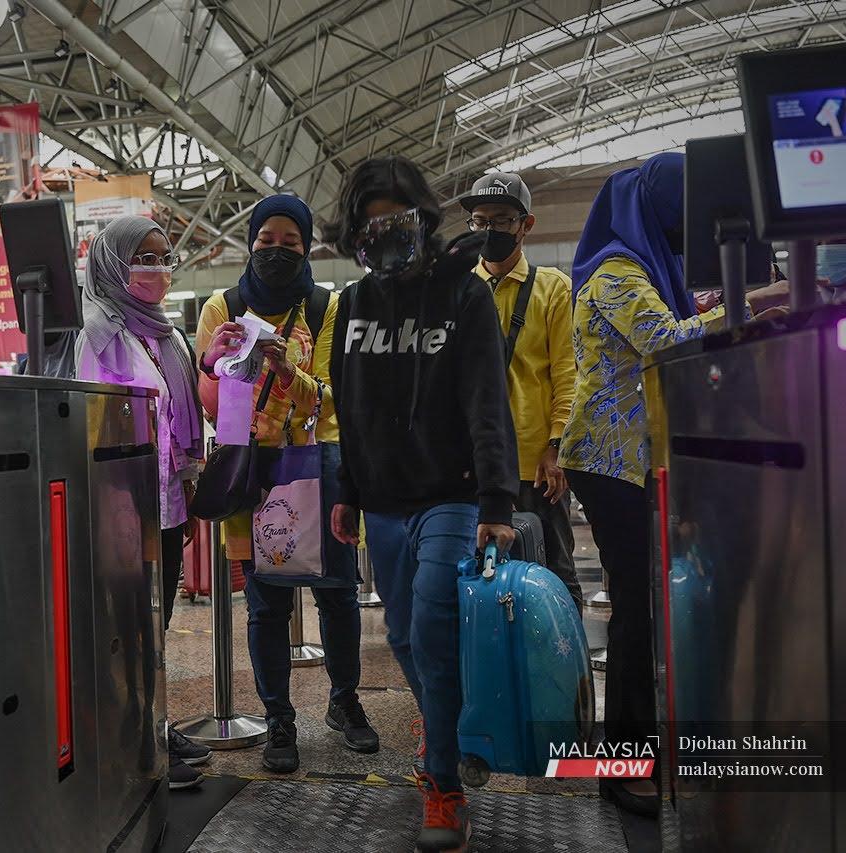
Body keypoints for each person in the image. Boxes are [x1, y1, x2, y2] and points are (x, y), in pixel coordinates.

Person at [559, 152, 785, 817]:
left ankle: (656, 750)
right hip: (607, 462)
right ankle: (621, 764)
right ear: (650, 210)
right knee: (637, 611)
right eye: (678, 212)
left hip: (636, 458)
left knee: (650, 610)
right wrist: (753, 304)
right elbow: (664, 341)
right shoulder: (616, 272)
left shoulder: (652, 268)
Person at [324, 156, 519, 853]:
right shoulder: (352, 304)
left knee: (434, 622)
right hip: (382, 499)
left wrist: (497, 496)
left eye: (396, 220)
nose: (384, 234)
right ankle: (445, 730)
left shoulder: (463, 295)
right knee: (404, 637)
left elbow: (486, 399)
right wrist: (346, 489)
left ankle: (444, 783)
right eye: (370, 223)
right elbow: (350, 405)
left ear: (423, 220)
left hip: (451, 493)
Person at [197, 195, 377, 775]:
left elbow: (332, 397)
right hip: (252, 473)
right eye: (265, 241)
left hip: (316, 467)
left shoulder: (327, 307)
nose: (276, 252)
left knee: (338, 594)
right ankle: (279, 718)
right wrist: (218, 365)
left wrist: (284, 371)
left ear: (306, 247)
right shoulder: (221, 306)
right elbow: (216, 410)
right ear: (251, 243)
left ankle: (344, 701)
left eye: (289, 243)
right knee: (266, 605)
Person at [75, 215, 210, 790]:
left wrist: (187, 480)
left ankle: (155, 721)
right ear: (112, 264)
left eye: (164, 255)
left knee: (157, 622)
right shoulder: (98, 335)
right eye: (144, 257)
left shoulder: (168, 336)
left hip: (168, 504)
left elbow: (184, 420)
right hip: (123, 504)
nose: (158, 267)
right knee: (125, 624)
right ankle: (133, 736)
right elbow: (92, 427)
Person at [460, 173, 581, 610]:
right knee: (476, 578)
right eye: (479, 221)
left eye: (502, 221)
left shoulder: (553, 289)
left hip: (534, 464)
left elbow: (568, 373)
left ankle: (565, 672)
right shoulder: (458, 288)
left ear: (526, 224)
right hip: (471, 463)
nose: (489, 231)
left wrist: (556, 447)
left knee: (555, 576)